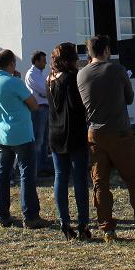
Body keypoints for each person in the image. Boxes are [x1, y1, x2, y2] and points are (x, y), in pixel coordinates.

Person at [77, 35, 135, 241]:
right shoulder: (116, 70)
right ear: (106, 51)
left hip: (95, 133)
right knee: (134, 180)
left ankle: (107, 229)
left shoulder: (81, 74)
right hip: (120, 131)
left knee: (100, 183)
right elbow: (129, 98)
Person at [0, 49, 50, 228]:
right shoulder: (14, 82)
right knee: (26, 175)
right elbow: (34, 104)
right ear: (11, 64)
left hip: (1, 134)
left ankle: (2, 214)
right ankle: (30, 216)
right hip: (21, 133)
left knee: (2, 174)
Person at [46, 42, 91, 240]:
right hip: (73, 132)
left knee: (60, 177)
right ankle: (83, 223)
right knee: (80, 178)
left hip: (55, 131)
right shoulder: (72, 78)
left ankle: (64, 222)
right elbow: (76, 106)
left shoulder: (49, 78)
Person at [25, 51, 53, 176]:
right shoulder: (31, 74)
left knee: (45, 139)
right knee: (39, 139)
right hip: (38, 109)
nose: (45, 63)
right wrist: (48, 92)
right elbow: (44, 90)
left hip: (45, 108)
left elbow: (47, 91)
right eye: (43, 61)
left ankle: (43, 165)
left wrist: (48, 92)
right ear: (36, 61)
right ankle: (37, 168)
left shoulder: (41, 74)